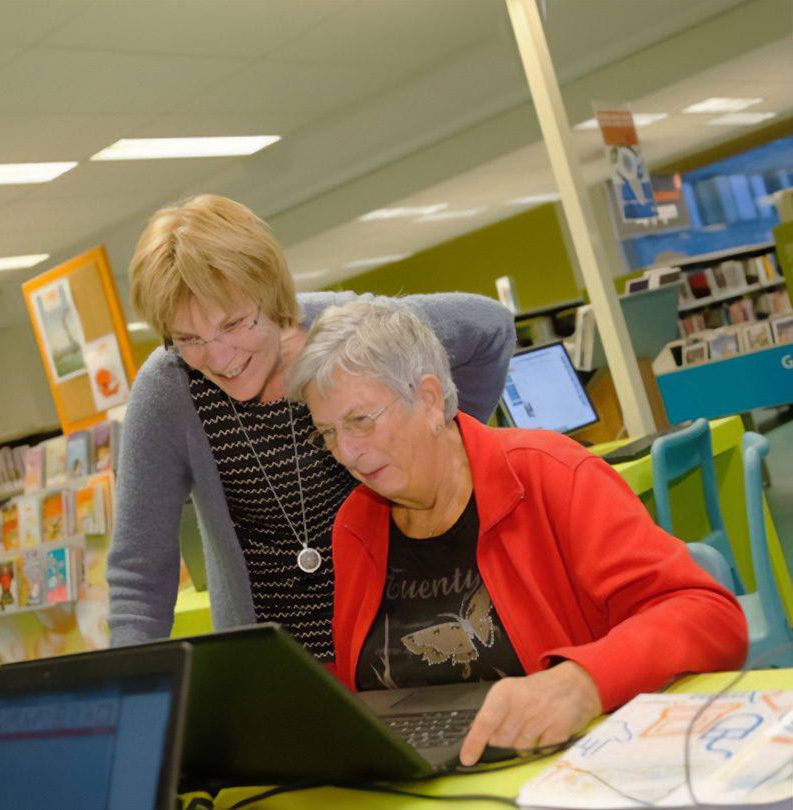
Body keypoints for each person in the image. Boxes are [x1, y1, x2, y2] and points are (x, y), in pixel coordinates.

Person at [286, 296, 748, 763]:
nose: (345, 453)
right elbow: (359, 680)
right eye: (326, 433)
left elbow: (706, 612)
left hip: (558, 769)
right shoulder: (355, 523)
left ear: (428, 400)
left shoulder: (552, 475)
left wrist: (580, 683)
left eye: (360, 421)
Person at [107, 194, 516, 662]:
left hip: (409, 647)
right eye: (188, 339)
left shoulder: (350, 335)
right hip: (281, 673)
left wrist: (437, 443)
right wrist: (133, 697)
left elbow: (491, 329)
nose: (219, 358)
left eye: (235, 323)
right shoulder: (169, 388)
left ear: (270, 295)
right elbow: (139, 578)